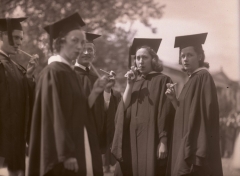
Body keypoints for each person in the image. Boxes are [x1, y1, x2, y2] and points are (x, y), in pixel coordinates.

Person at [27, 13, 107, 176]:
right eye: (75, 41)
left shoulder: (69, 72)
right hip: (61, 153)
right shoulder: (53, 72)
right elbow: (55, 115)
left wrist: (95, 92)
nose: (80, 47)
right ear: (60, 41)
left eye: (83, 42)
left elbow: (78, 111)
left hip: (75, 144)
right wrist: (66, 154)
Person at [112, 38, 175, 176]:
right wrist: (129, 84)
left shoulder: (163, 80)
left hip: (151, 139)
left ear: (153, 59)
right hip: (131, 139)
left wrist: (163, 141)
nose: (140, 61)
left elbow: (165, 112)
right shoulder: (134, 81)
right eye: (138, 58)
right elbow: (122, 110)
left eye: (144, 57)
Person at [165, 33, 223, 176]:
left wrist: (194, 149)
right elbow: (185, 113)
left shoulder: (203, 77)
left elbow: (203, 116)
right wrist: (173, 99)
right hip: (185, 141)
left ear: (200, 57)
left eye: (189, 55)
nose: (185, 59)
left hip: (193, 144)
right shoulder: (191, 80)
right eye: (183, 56)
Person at [73, 32, 121, 172]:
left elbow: (103, 111)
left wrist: (107, 91)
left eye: (90, 49)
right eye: (83, 49)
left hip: (94, 137)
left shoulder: (97, 78)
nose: (87, 52)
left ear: (94, 54)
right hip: (76, 137)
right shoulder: (68, 75)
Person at [0, 17, 39, 176]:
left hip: (15, 138)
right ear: (1, 36)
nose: (19, 42)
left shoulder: (16, 67)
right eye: (15, 37)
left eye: (21, 38)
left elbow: (25, 100)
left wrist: (29, 76)